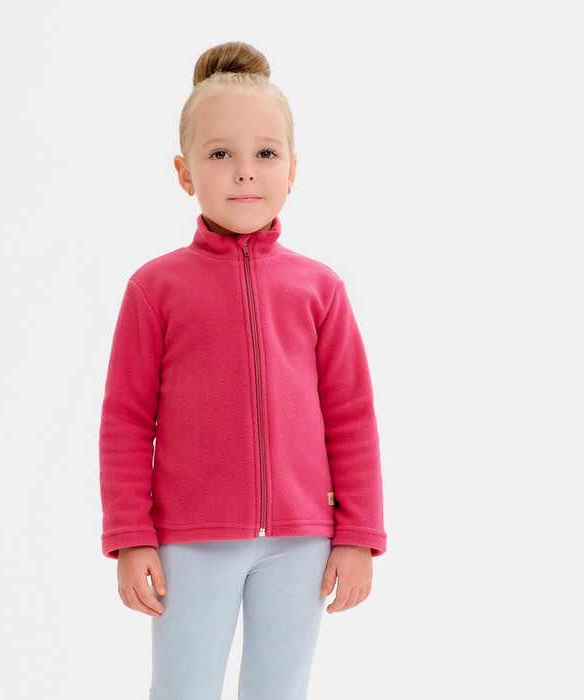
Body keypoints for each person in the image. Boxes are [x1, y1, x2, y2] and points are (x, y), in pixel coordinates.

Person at [99, 40, 387, 700]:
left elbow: (351, 417)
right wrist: (131, 536)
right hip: (189, 541)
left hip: (302, 540)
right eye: (220, 154)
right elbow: (125, 422)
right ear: (184, 172)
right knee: (183, 690)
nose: (245, 173)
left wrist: (358, 534)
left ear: (293, 170)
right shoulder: (155, 289)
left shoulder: (319, 288)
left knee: (280, 691)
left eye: (266, 153)